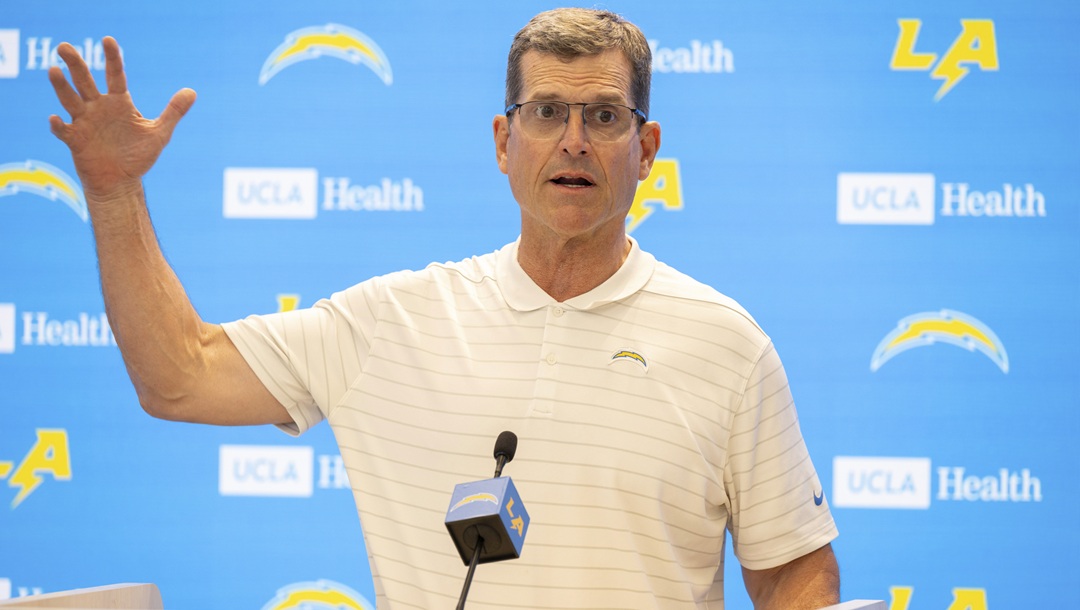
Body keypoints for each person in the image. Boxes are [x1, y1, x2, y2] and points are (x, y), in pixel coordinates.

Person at [48, 7, 840, 609]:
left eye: (603, 116)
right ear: (503, 142)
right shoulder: (392, 322)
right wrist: (115, 192)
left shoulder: (726, 344)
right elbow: (177, 377)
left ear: (647, 150)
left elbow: (794, 568)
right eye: (545, 113)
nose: (574, 141)